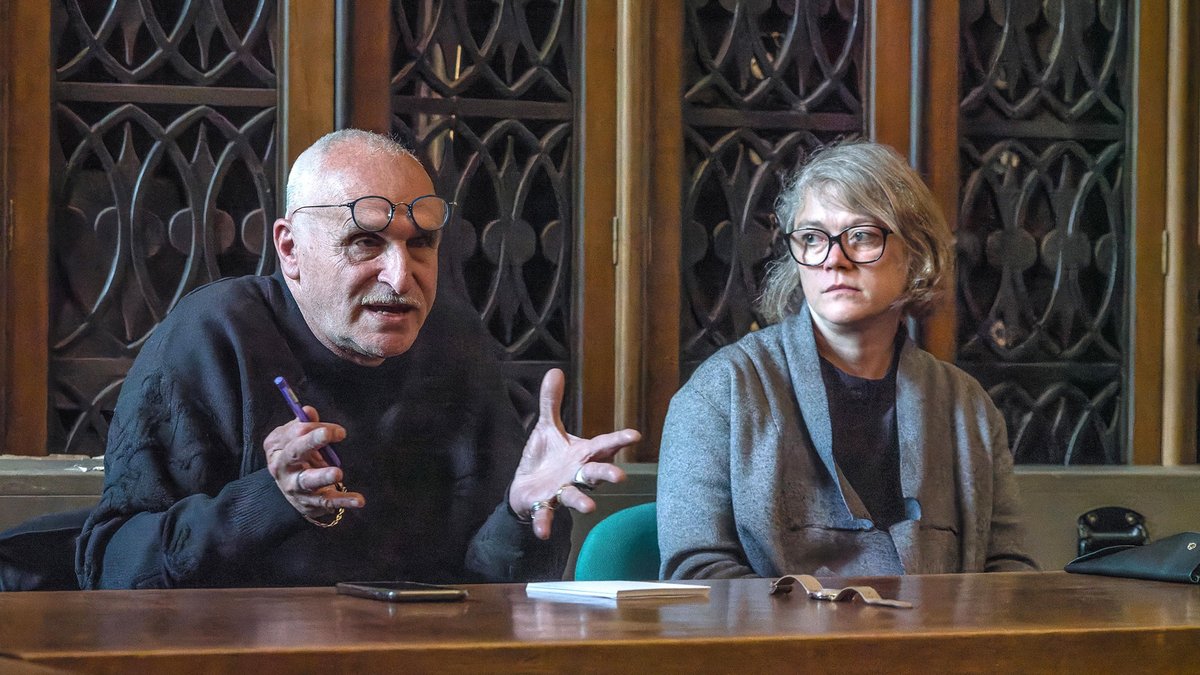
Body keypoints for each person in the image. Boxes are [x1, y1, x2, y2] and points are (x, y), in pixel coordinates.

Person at [76, 129, 639, 589]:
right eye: (366, 243)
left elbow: (478, 585)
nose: (401, 276)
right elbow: (109, 569)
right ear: (291, 250)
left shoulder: (452, 342)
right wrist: (270, 501)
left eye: (421, 244)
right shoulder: (212, 337)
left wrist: (518, 515)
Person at [657, 140, 1037, 579]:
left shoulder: (967, 407)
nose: (834, 260)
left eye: (861, 235)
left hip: (939, 647)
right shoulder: (720, 392)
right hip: (780, 647)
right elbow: (697, 573)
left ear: (916, 254)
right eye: (813, 238)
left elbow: (1012, 574)